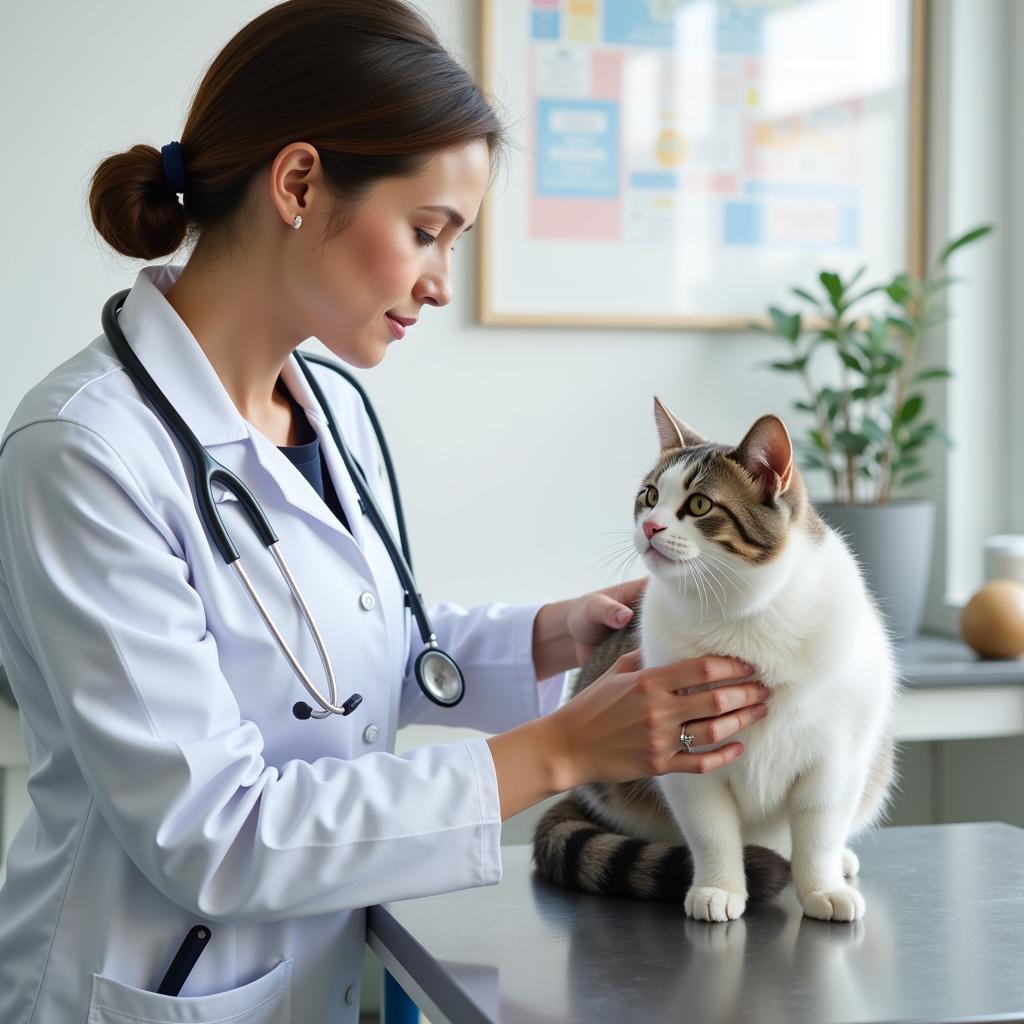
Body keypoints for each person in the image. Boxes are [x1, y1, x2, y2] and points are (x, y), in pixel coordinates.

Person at [0, 2, 769, 1021]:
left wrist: (556, 637)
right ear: (301, 183)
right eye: (427, 232)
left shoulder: (331, 414)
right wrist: (560, 750)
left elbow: (353, 658)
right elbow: (214, 834)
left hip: (309, 973)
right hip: (141, 986)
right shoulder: (85, 452)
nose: (441, 284)